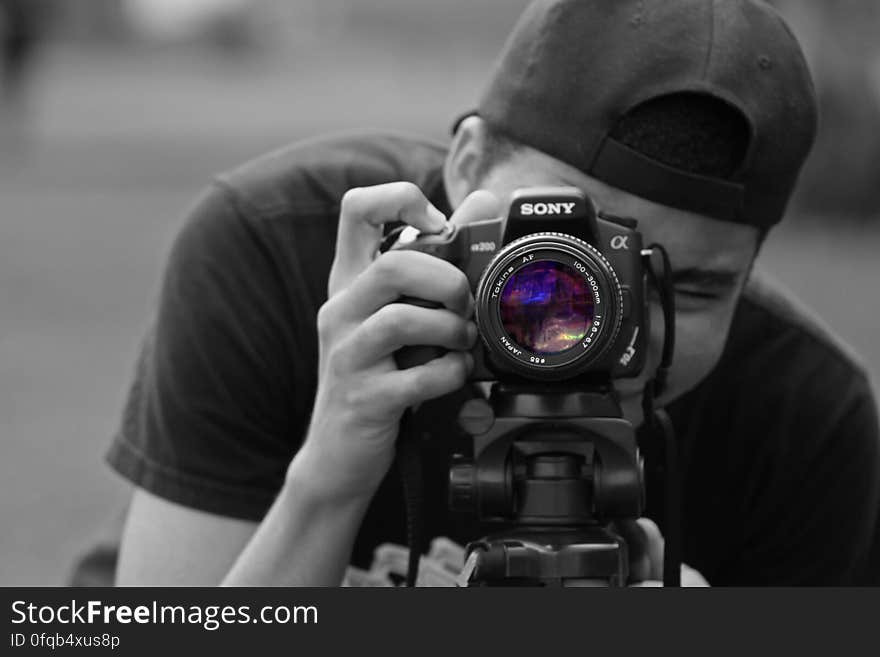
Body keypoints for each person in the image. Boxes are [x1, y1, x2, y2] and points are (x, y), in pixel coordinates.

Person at [75, 0, 880, 586]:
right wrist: (327, 478)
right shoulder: (280, 252)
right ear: (463, 166)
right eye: (565, 260)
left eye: (688, 288)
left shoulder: (805, 421)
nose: (605, 322)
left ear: (753, 271)